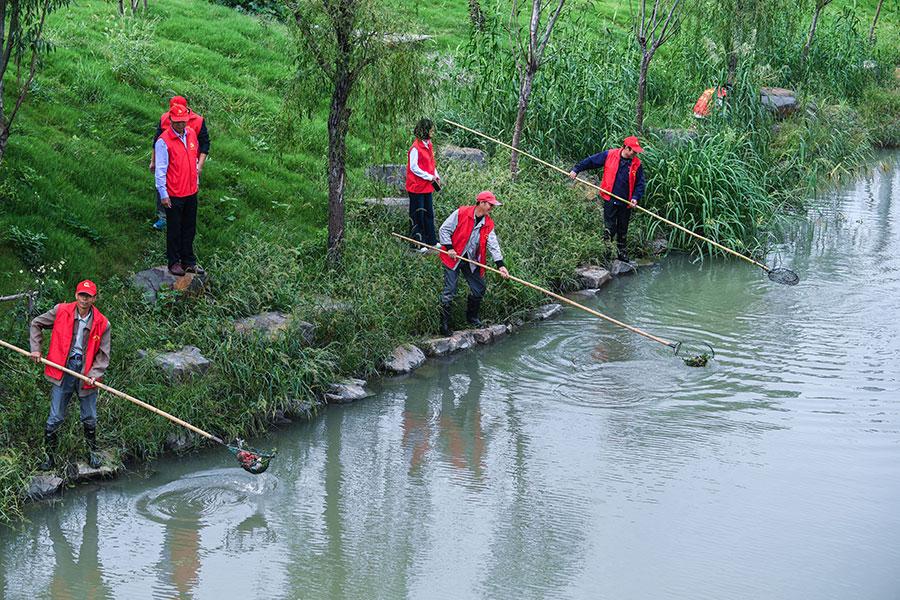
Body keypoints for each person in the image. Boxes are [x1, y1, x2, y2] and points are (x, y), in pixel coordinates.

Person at [29, 280, 111, 470]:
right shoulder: (61, 310)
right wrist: (36, 349)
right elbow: (36, 324)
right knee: (55, 415)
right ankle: (50, 459)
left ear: (94, 298)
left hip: (87, 371)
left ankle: (92, 454)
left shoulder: (102, 323)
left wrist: (94, 373)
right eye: (82, 295)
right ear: (76, 295)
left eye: (89, 296)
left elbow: (104, 354)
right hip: (61, 368)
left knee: (89, 416)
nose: (84, 299)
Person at [437, 191, 510, 335]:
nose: (492, 208)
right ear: (481, 203)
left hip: (470, 259)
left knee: (479, 288)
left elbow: (493, 244)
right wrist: (450, 248)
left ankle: (472, 318)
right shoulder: (461, 213)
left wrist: (500, 265)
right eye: (490, 204)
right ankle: (444, 326)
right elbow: (444, 229)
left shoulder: (488, 223)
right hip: (452, 257)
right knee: (450, 290)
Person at [569, 136, 646, 262]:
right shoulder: (610, 155)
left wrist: (635, 198)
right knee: (609, 228)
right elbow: (591, 161)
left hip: (626, 202)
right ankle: (607, 254)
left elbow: (640, 184)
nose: (635, 154)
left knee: (622, 228)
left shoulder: (637, 164)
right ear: (626, 148)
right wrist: (576, 169)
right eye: (633, 151)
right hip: (610, 198)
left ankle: (622, 253)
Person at [155, 103, 202, 276]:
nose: (181, 125)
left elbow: (194, 159)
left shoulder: (191, 134)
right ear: (171, 120)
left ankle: (188, 261)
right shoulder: (164, 141)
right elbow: (160, 171)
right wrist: (163, 194)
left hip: (191, 191)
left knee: (189, 228)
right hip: (174, 193)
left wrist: (195, 182)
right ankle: (174, 262)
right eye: (177, 122)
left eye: (184, 121)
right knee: (175, 229)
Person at [150, 96, 210, 231]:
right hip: (171, 161)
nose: (179, 124)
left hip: (189, 163)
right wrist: (153, 160)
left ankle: (184, 218)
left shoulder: (198, 122)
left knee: (188, 195)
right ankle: (163, 217)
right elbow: (156, 141)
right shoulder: (166, 118)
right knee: (163, 185)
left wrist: (198, 167)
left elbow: (205, 144)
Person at [406, 118, 441, 253]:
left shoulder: (429, 145)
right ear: (425, 130)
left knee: (429, 213)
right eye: (431, 129)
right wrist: (429, 176)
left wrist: (436, 175)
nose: (432, 132)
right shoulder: (415, 148)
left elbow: (431, 163)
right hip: (416, 187)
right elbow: (414, 167)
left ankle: (431, 240)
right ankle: (417, 243)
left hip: (427, 186)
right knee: (417, 214)